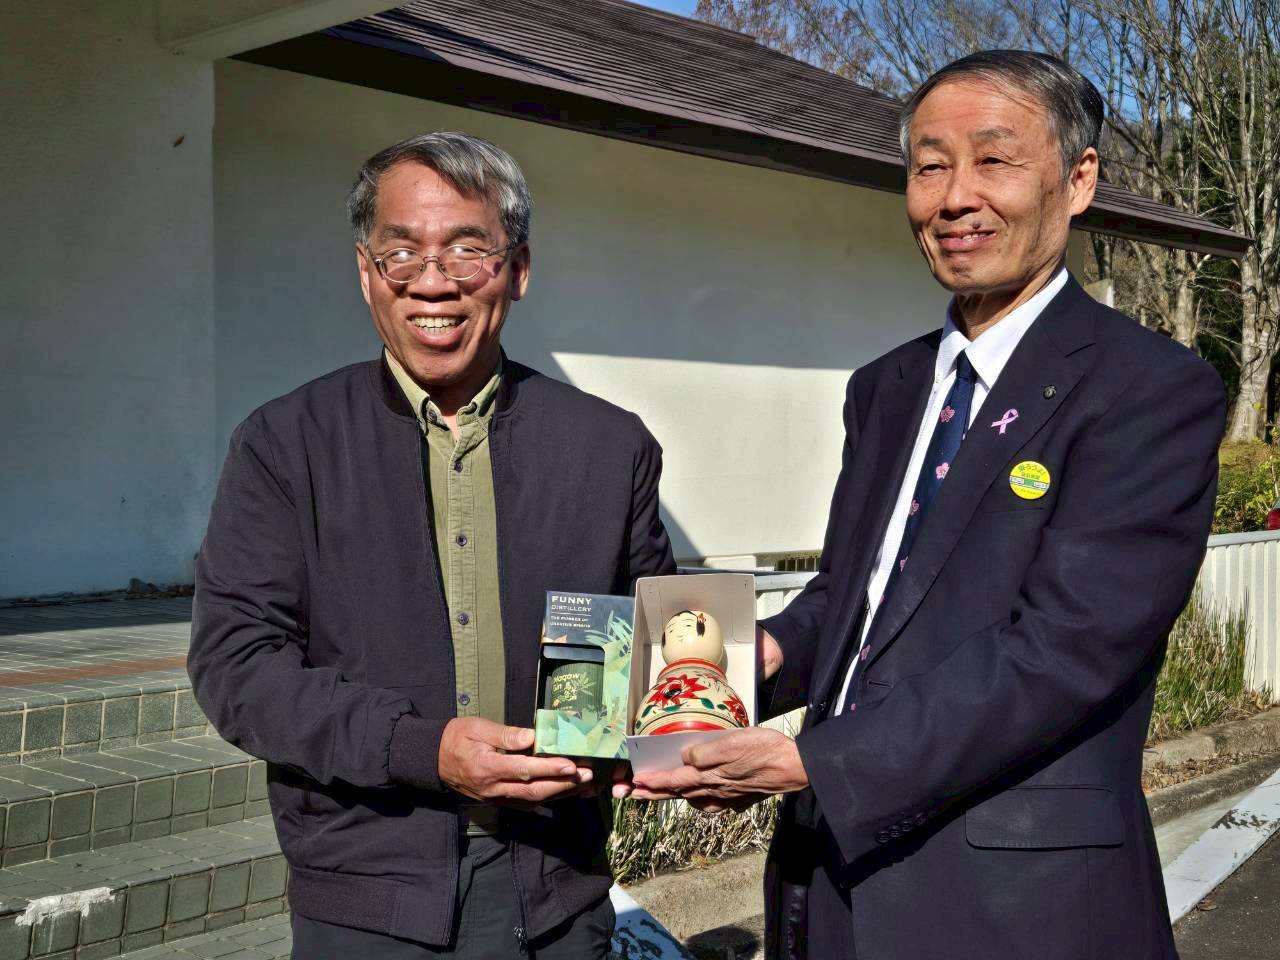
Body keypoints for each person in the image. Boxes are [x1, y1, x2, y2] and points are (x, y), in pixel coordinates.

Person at [625, 51, 1226, 959]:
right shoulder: (887, 387)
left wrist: (808, 761)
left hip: (1019, 903)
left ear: (1078, 180)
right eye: (929, 166)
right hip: (833, 877)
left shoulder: (1148, 388)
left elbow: (1065, 651)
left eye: (994, 160)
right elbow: (857, 598)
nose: (954, 198)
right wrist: (753, 658)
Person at [190, 131, 674, 959]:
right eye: (401, 252)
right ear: (365, 272)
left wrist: (653, 731)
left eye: (467, 249)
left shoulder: (607, 446)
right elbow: (237, 668)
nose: (433, 281)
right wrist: (422, 749)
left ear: (517, 269)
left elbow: (649, 646)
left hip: (558, 888)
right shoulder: (286, 445)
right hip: (367, 901)